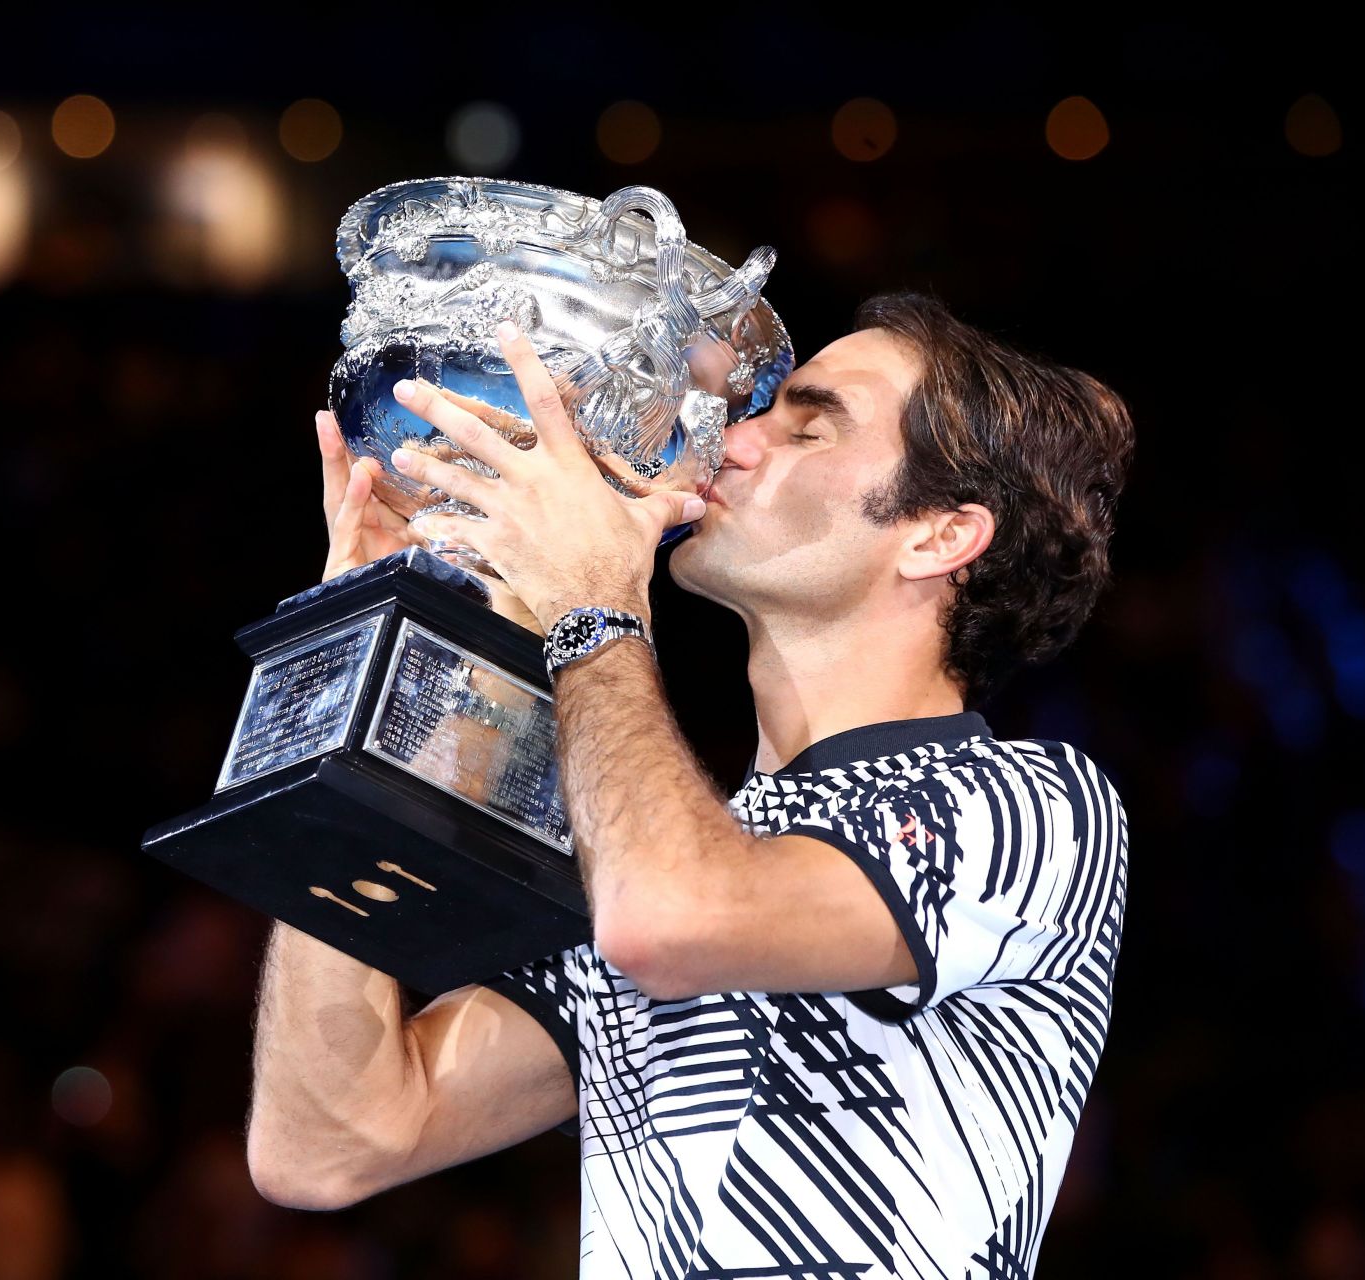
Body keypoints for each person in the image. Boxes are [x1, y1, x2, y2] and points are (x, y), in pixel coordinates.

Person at [246, 290, 1135, 1280]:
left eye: (809, 425)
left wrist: (593, 592)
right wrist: (382, 643)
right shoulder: (651, 840)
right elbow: (327, 1140)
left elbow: (669, 918)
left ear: (939, 535)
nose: (740, 441)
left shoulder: (1032, 805)